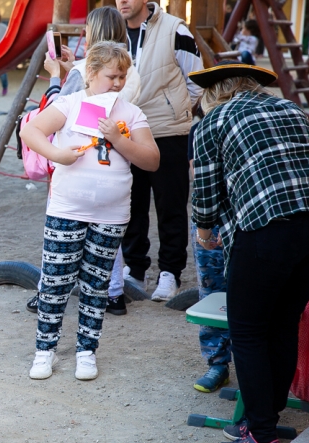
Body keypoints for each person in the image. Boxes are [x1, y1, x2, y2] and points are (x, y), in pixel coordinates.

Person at [189, 62, 309, 443]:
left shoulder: (214, 121)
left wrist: (204, 233)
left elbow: (206, 192)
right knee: (281, 325)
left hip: (266, 229)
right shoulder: (292, 108)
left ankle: (260, 436)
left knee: (247, 331)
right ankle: (262, 418)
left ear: (213, 94)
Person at [19, 41, 159, 380]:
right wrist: (56, 154)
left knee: (96, 283)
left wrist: (118, 139)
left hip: (111, 214)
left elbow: (152, 160)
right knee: (54, 281)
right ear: (92, 73)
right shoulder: (69, 103)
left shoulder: (130, 112)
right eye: (111, 76)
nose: (117, 83)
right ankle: (44, 351)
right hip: (67, 207)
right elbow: (30, 130)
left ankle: (86, 350)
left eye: (123, 77)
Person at [27, 6, 142, 317]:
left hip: (78, 158)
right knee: (109, 230)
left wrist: (55, 76)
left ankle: (49, 294)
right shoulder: (131, 71)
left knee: (65, 232)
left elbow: (60, 110)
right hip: (115, 157)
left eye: (87, 29)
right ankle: (114, 292)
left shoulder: (83, 72)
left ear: (93, 32)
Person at [116, 0, 203, 301]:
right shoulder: (114, 31)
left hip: (167, 131)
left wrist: (176, 112)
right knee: (131, 205)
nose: (122, 2)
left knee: (171, 204)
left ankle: (170, 273)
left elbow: (197, 80)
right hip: (127, 133)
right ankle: (135, 269)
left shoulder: (174, 29)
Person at [186, 119, 231, 394]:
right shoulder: (201, 128)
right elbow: (198, 176)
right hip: (211, 215)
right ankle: (218, 362)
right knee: (212, 289)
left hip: (253, 214)